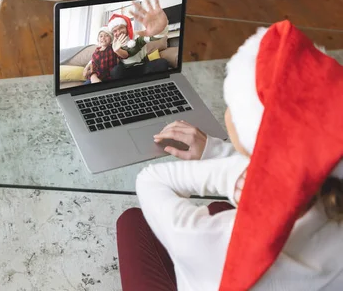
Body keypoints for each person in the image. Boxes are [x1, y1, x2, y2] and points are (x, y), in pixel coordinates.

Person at [117, 20, 343, 291]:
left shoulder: (211, 238)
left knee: (131, 220)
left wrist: (235, 174)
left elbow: (151, 180)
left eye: (232, 105)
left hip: (218, 264)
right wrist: (214, 151)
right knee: (216, 208)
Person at [109, 0, 170, 80]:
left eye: (121, 28)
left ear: (127, 28)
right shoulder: (113, 44)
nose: (118, 32)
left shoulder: (137, 36)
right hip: (126, 71)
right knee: (115, 71)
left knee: (162, 63)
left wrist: (161, 28)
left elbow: (154, 38)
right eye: (115, 31)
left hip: (143, 67)